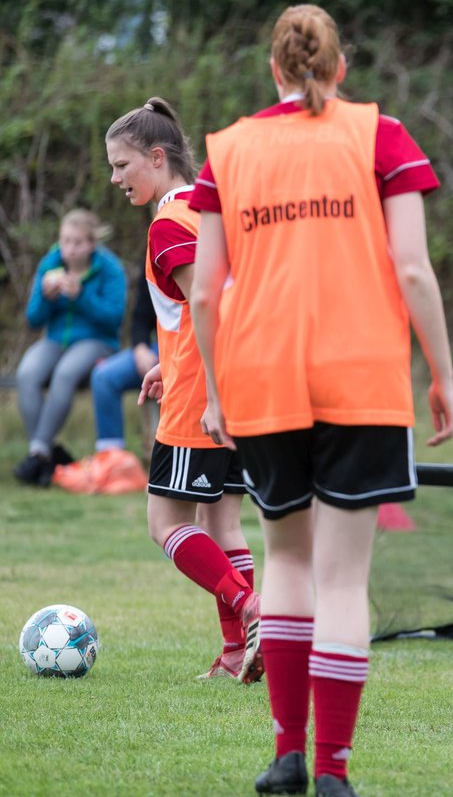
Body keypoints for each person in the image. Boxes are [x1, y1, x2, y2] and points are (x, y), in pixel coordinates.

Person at [187, 4, 453, 797]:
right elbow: (412, 269)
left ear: (275, 70)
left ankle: (285, 756)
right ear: (341, 69)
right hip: (363, 379)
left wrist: (214, 385)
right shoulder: (381, 135)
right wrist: (442, 373)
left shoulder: (226, 152)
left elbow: (205, 292)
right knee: (343, 581)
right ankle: (333, 770)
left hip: (262, 379)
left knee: (287, 563)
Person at [105, 97, 261, 682]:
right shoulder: (212, 211)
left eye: (122, 165)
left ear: (155, 156)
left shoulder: (170, 224)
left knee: (164, 522)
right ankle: (231, 656)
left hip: (205, 397)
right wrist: (170, 362)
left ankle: (253, 610)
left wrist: (202, 388)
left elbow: (208, 304)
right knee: (222, 524)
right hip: (239, 383)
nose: (115, 178)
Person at [14, 209, 126, 486]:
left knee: (65, 373)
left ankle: (39, 454)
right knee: (26, 373)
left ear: (91, 244)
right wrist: (46, 296)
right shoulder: (49, 264)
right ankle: (47, 456)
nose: (70, 249)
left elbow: (114, 318)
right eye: (65, 241)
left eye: (77, 242)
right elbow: (33, 318)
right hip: (54, 341)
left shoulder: (110, 268)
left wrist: (81, 296)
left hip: (97, 343)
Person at [52, 258, 157, 494]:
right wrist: (140, 347)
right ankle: (113, 464)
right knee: (103, 375)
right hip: (154, 348)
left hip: (192, 348)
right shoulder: (153, 251)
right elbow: (141, 315)